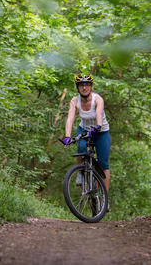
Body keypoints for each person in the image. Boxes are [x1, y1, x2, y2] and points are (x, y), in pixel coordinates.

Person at [62, 74, 111, 205]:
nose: (84, 87)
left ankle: (105, 200)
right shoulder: (74, 101)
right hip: (84, 129)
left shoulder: (97, 99)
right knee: (81, 148)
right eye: (81, 85)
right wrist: (67, 136)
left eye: (87, 85)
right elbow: (70, 118)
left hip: (101, 132)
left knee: (103, 164)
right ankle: (81, 172)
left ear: (91, 86)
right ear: (77, 87)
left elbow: (99, 114)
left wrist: (98, 126)